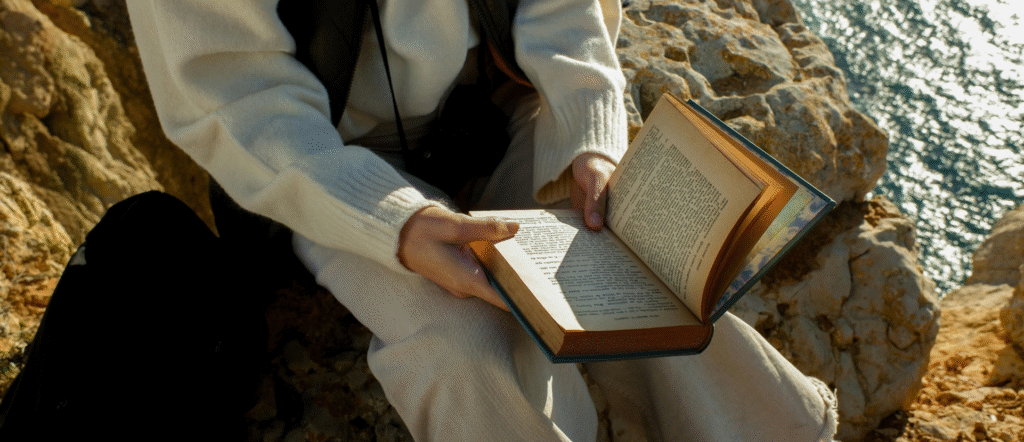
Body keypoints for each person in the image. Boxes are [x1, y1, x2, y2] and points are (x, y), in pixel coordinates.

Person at [127, 0, 838, 440]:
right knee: (460, 346)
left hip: (496, 106)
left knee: (627, 258)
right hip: (324, 166)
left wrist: (585, 134)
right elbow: (235, 97)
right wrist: (395, 225)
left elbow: (559, 6)